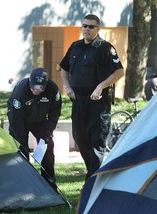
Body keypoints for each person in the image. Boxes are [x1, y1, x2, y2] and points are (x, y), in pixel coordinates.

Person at [58, 14, 124, 180]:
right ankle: (93, 174)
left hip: (98, 103)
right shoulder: (75, 47)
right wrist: (67, 86)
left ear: (98, 29)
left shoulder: (105, 48)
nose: (87, 29)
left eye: (91, 26)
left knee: (97, 142)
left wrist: (101, 86)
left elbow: (119, 71)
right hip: (79, 101)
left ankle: (93, 179)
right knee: (79, 138)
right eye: (85, 25)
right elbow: (63, 68)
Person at [7, 67, 62, 189]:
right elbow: (16, 120)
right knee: (21, 150)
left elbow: (54, 114)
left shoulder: (52, 90)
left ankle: (49, 183)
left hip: (40, 121)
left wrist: (48, 133)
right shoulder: (21, 91)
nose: (35, 91)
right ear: (30, 81)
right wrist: (22, 141)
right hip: (20, 121)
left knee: (47, 146)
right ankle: (22, 184)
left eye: (39, 89)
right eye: (33, 87)